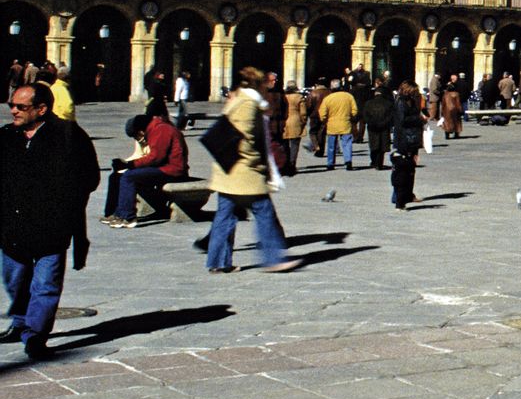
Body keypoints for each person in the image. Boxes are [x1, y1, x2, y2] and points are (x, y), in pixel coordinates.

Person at [0, 79, 100, 355]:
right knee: (15, 282)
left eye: (21, 107)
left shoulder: (69, 135)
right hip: (12, 227)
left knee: (45, 286)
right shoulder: (6, 136)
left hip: (52, 227)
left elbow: (90, 176)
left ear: (41, 109)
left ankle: (35, 336)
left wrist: (64, 202)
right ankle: (20, 322)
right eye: (11, 105)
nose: (13, 111)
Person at [205, 67, 299, 274]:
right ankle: (273, 259)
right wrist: (257, 163)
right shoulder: (248, 104)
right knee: (264, 212)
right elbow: (246, 138)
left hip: (226, 170)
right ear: (258, 84)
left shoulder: (237, 99)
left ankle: (218, 262)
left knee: (225, 216)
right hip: (244, 171)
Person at [104, 103, 188, 226]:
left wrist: (131, 165)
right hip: (164, 168)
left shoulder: (161, 130)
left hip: (172, 170)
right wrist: (127, 164)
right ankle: (118, 213)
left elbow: (156, 157)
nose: (138, 139)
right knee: (123, 176)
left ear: (140, 131)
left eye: (136, 136)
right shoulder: (155, 129)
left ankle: (128, 217)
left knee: (129, 177)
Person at [388, 83, 425, 209]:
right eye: (414, 90)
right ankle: (398, 197)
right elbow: (402, 120)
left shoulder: (411, 101)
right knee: (402, 169)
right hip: (404, 139)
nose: (416, 92)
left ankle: (408, 194)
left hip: (412, 138)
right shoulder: (401, 102)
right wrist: (419, 119)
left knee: (410, 169)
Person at [318, 79, 358, 171]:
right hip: (345, 123)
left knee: (331, 145)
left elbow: (322, 113)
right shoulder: (348, 96)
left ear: (331, 87)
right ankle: (348, 161)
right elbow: (354, 110)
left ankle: (330, 163)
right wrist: (350, 116)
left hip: (332, 124)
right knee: (347, 143)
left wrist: (324, 120)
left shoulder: (328, 98)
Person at [360, 82, 394, 170]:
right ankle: (379, 163)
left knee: (373, 145)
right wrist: (385, 123)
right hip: (384, 127)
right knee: (382, 146)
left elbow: (365, 115)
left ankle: (374, 161)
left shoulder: (368, 103)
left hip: (372, 127)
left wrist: (371, 122)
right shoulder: (388, 103)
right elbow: (391, 116)